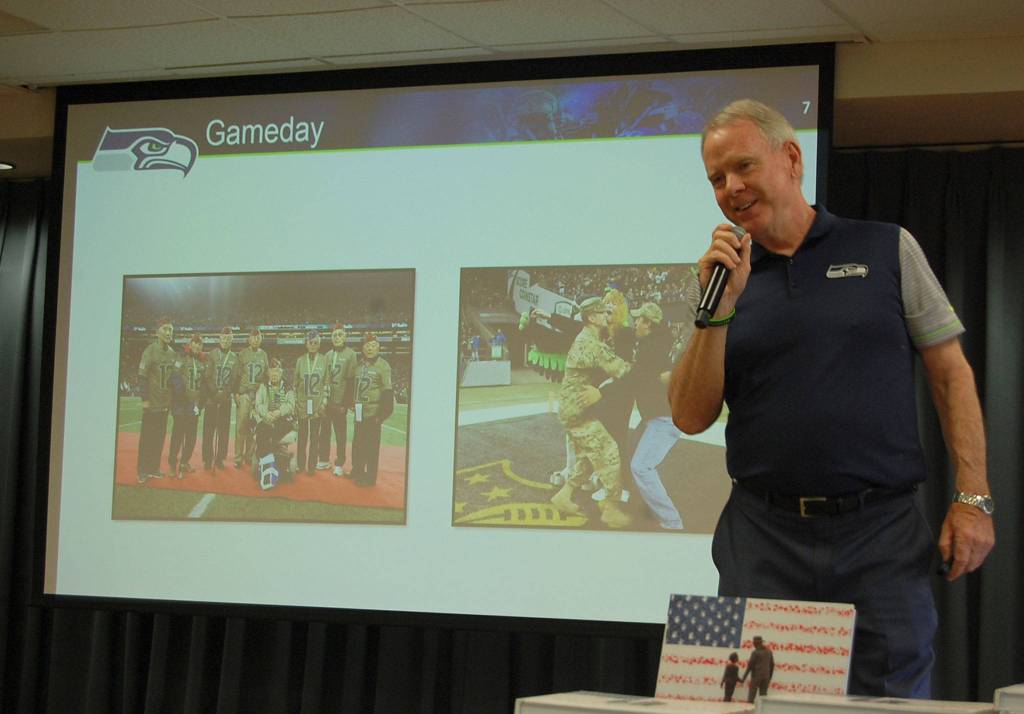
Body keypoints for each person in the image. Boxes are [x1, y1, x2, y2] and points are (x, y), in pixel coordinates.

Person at [668, 99, 995, 698]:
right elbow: (688, 416)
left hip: (881, 534)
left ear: (790, 158)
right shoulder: (721, 281)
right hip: (762, 538)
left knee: (889, 702)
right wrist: (715, 314)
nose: (731, 188)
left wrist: (973, 498)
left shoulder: (887, 248)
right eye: (716, 178)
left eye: (743, 166)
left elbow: (952, 375)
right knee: (750, 703)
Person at [551, 296, 632, 528]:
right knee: (609, 451)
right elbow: (622, 370)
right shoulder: (592, 344)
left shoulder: (589, 337)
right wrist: (649, 369)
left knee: (590, 455)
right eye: (603, 313)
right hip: (577, 409)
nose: (608, 316)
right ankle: (612, 509)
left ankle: (564, 495)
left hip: (575, 406)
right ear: (592, 318)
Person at [625, 302, 686, 530]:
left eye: (639, 320)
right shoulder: (653, 343)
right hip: (657, 416)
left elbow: (636, 379)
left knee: (640, 467)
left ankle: (672, 521)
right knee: (631, 450)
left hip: (664, 419)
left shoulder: (651, 349)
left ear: (648, 323)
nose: (635, 323)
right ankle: (638, 500)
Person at [350, 332, 394, 487]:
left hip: (373, 413)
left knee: (371, 448)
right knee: (358, 444)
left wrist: (381, 415)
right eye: (367, 346)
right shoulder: (359, 365)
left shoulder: (383, 366)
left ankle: (370, 477)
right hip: (360, 412)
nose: (370, 349)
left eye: (373, 346)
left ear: (379, 347)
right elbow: (354, 386)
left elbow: (388, 393)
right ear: (362, 348)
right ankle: (358, 471)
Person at [136, 317, 177, 482]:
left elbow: (174, 380)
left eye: (171, 330)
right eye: (165, 329)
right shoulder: (149, 350)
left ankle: (153, 468)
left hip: (165, 403)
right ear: (157, 332)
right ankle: (142, 470)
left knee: (159, 438)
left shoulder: (173, 354)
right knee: (147, 438)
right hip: (152, 403)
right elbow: (142, 376)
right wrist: (144, 398)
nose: (168, 333)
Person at [320, 323, 357, 477]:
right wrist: (323, 400)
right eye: (334, 335)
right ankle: (323, 458)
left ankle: (340, 463)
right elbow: (324, 379)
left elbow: (351, 380)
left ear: (345, 336)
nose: (337, 338)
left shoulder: (351, 354)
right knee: (325, 432)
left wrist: (346, 403)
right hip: (328, 400)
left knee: (340, 434)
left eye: (340, 334)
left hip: (340, 401)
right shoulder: (327, 355)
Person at [168, 334, 205, 479]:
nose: (197, 346)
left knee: (191, 436)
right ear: (190, 344)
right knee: (177, 435)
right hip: (181, 404)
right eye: (195, 343)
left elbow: (203, 383)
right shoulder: (181, 356)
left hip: (194, 406)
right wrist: (181, 396)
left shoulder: (202, 361)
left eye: (200, 344)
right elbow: (175, 377)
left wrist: (200, 402)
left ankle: (184, 462)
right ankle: (172, 463)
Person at [253, 357, 296, 484]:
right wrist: (266, 415)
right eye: (272, 372)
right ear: (268, 373)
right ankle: (268, 463)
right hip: (267, 418)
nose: (274, 374)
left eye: (277, 371)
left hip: (282, 419)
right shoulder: (263, 386)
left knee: (272, 432)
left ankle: (268, 458)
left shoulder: (287, 386)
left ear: (281, 372)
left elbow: (290, 405)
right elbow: (258, 404)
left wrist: (278, 412)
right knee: (261, 429)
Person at [202, 326, 237, 470]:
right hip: (212, 397)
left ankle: (220, 458)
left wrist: (226, 393)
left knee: (224, 430)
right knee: (209, 430)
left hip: (225, 399)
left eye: (229, 338)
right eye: (223, 338)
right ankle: (207, 458)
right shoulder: (212, 354)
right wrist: (214, 393)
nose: (226, 341)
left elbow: (234, 379)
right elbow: (207, 376)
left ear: (231, 340)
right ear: (219, 339)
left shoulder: (235, 358)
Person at [294, 330, 328, 474]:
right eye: (310, 342)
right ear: (306, 344)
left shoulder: (324, 360)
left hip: (316, 405)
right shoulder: (300, 360)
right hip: (302, 404)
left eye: (316, 343)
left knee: (315, 437)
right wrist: (296, 402)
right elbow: (295, 384)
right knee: (302, 437)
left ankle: (312, 466)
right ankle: (300, 464)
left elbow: (326, 383)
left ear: (319, 344)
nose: (313, 345)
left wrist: (323, 403)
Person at [234, 327, 268, 468]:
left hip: (258, 396)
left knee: (254, 428)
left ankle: (248, 456)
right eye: (253, 337)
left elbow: (266, 376)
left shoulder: (264, 355)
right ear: (249, 339)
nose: (255, 340)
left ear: (261, 339)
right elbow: (236, 375)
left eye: (258, 337)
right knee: (242, 427)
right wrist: (236, 392)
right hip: (245, 394)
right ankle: (238, 457)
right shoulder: (242, 354)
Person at [740, 636, 774, 703]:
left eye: (753, 643)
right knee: (763, 697)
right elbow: (772, 665)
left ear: (756, 643)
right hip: (766, 677)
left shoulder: (755, 652)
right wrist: (769, 677)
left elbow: (749, 666)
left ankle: (749, 711)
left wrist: (743, 678)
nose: (753, 644)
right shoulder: (769, 651)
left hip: (756, 676)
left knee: (751, 695)